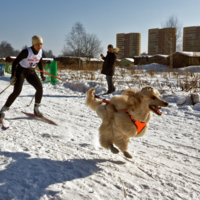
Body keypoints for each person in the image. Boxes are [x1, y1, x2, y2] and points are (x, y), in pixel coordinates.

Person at [0, 35, 46, 118]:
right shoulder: (26, 52)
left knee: (39, 88)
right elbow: (15, 63)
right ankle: (4, 109)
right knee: (17, 91)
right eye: (38, 44)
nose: (40, 46)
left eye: (41, 44)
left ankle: (36, 109)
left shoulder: (40, 51)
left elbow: (40, 61)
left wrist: (42, 74)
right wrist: (13, 76)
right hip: (21, 72)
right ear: (33, 44)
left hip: (31, 72)